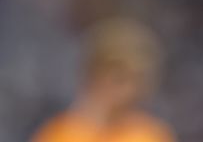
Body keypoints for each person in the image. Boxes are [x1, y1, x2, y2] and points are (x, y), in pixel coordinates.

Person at [31, 18, 176, 142]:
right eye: (119, 77)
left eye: (138, 80)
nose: (130, 91)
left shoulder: (151, 135)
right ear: (93, 74)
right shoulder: (60, 134)